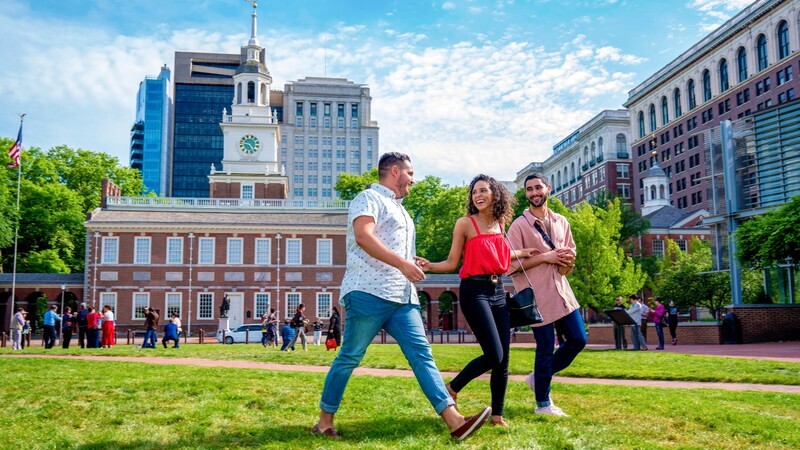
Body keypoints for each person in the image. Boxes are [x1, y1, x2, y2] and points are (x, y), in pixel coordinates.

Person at [314, 152, 491, 441]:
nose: (413, 179)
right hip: (368, 290)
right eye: (410, 173)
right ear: (395, 171)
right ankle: (324, 422)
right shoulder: (368, 197)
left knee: (423, 355)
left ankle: (455, 421)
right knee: (350, 356)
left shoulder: (402, 210)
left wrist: (413, 262)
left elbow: (395, 250)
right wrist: (402, 263)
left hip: (403, 296)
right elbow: (363, 236)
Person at [418, 174, 533, 427]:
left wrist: (525, 252)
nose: (477, 195)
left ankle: (497, 416)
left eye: (483, 190)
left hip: (498, 290)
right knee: (494, 354)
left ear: (495, 194)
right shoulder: (465, 224)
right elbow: (452, 262)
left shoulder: (501, 223)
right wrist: (430, 266)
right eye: (474, 192)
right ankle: (452, 387)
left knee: (503, 359)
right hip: (474, 291)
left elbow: (499, 254)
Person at [507, 172, 586, 417]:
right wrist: (545, 257)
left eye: (538, 187)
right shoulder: (519, 225)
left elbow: (568, 260)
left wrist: (567, 261)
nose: (534, 193)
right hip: (537, 297)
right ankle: (543, 403)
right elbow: (508, 265)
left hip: (563, 293)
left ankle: (538, 377)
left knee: (578, 339)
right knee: (544, 348)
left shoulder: (562, 221)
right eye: (529, 189)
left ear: (548, 189)